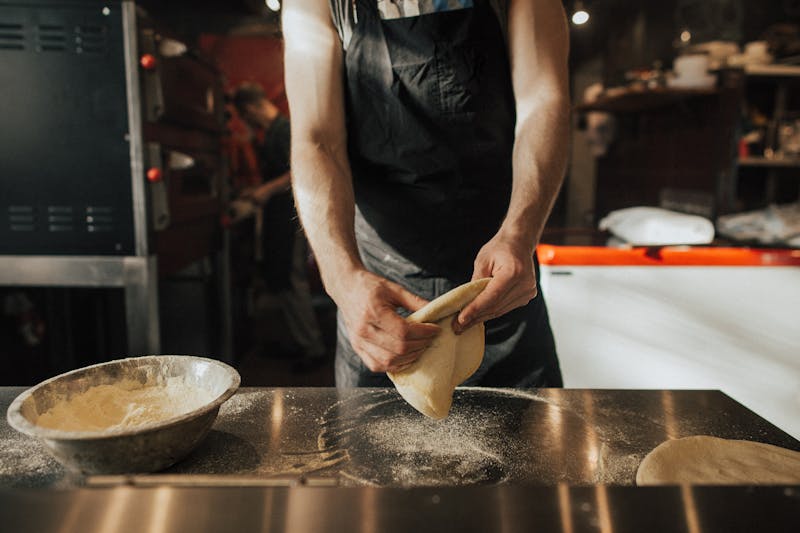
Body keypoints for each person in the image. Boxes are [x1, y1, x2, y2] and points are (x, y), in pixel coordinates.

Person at [283, 0, 569, 387]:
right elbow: (317, 140)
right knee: (367, 447)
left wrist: (520, 233)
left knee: (526, 443)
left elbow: (543, 102)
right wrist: (343, 280)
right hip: (378, 292)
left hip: (499, 284)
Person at [232, 83, 327, 371]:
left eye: (245, 118)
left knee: (291, 277)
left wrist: (264, 191)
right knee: (283, 278)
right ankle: (301, 342)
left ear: (249, 109)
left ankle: (313, 348)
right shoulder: (270, 133)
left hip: (290, 216)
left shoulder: (284, 129)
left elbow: (300, 169)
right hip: (280, 216)